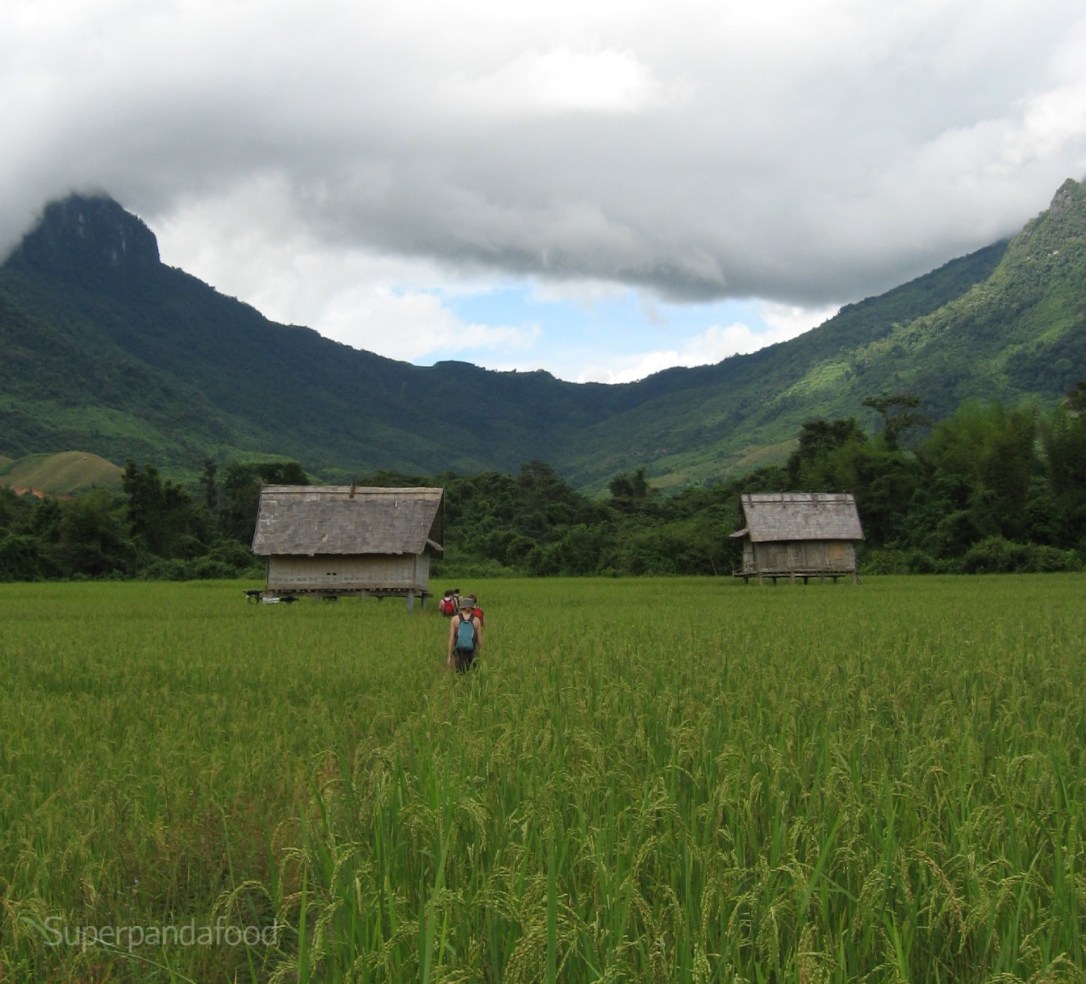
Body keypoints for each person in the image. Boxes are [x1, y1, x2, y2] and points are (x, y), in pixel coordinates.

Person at [447, 600, 483, 673]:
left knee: (460, 675)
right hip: (472, 652)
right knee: (473, 675)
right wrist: (480, 653)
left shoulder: (454, 619)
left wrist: (449, 656)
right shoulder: (476, 620)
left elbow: (451, 639)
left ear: (461, 608)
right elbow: (479, 640)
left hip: (459, 651)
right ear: (472, 608)